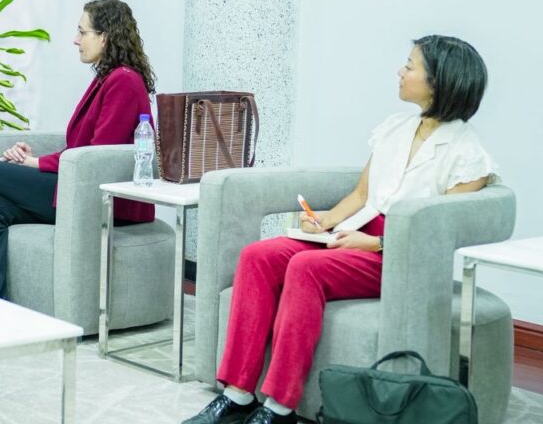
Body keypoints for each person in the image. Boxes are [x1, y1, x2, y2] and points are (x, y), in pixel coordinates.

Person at [183, 35, 497, 424]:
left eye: (410, 66)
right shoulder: (395, 128)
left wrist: (377, 243)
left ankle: (279, 407)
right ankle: (238, 394)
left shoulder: (469, 155)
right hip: (356, 232)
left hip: (401, 255)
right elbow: (363, 194)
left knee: (305, 268)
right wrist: (325, 221)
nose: (400, 71)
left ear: (439, 82)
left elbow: (442, 231)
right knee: (258, 256)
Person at [0, 0, 158, 297]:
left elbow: (96, 156)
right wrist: (35, 159)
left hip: (97, 198)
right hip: (76, 184)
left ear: (104, 37)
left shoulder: (124, 81)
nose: (75, 40)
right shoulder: (108, 77)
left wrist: (33, 163)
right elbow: (79, 149)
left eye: (82, 32)